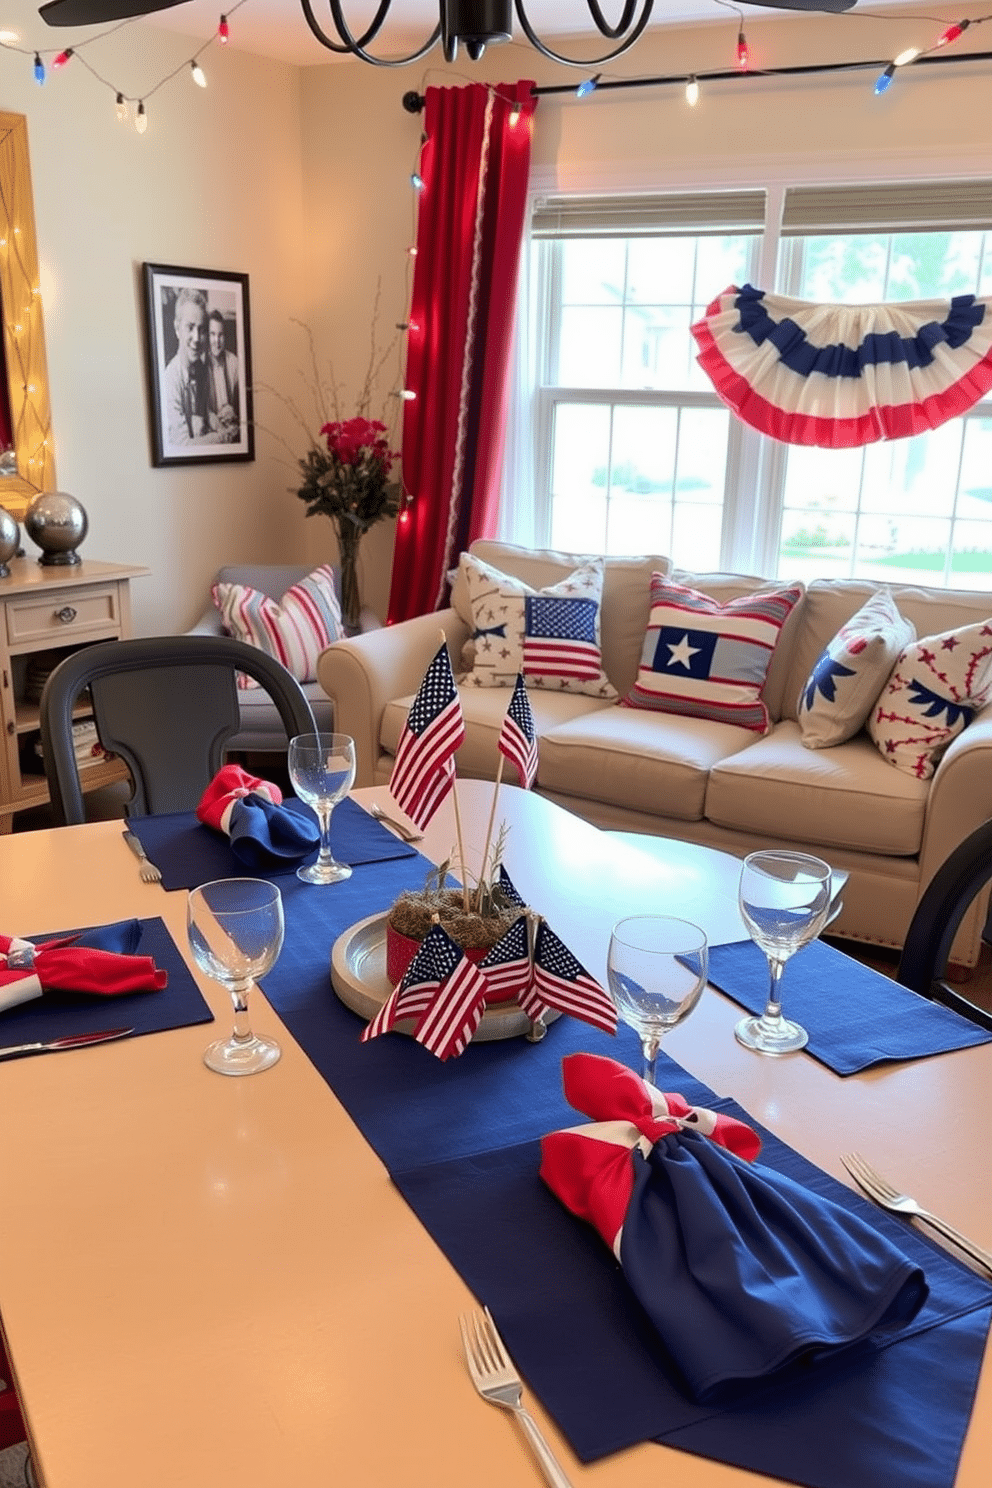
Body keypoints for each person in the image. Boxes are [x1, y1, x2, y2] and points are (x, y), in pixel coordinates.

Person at [161, 288, 223, 447]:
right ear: (177, 329)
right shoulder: (170, 380)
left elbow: (204, 411)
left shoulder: (201, 369)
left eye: (202, 330)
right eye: (190, 327)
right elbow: (182, 445)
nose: (197, 338)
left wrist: (219, 425)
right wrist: (222, 438)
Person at [206, 309, 241, 443]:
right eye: (212, 334)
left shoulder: (234, 362)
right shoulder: (201, 364)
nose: (217, 340)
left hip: (233, 428)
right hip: (212, 432)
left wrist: (235, 411)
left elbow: (245, 400)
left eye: (220, 335)